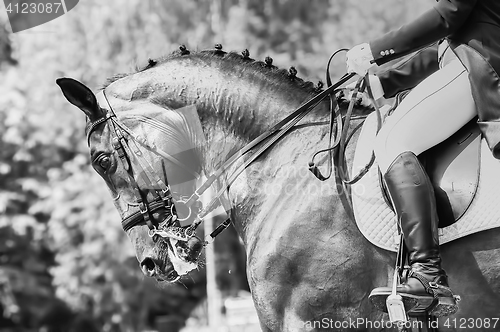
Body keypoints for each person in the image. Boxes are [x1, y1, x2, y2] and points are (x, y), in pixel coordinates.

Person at [345, 0, 500, 315]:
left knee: (392, 141)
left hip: (483, 62)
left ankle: (427, 274)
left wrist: (374, 49)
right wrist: (383, 81)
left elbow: (449, 15)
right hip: (474, 55)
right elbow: (450, 42)